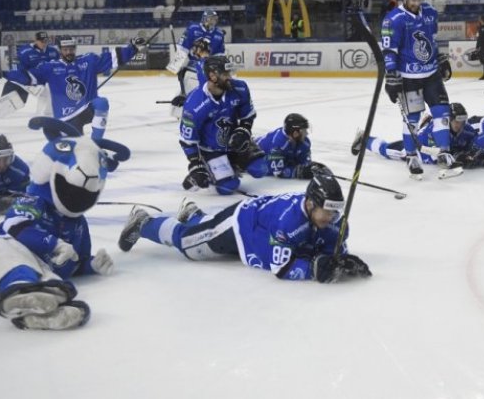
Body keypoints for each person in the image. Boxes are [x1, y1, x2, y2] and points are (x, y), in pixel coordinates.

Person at [0, 121, 129, 330]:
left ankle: (40, 314)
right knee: (3, 254)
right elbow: (15, 226)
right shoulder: (34, 201)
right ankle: (18, 290)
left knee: (53, 285)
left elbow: (76, 262)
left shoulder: (79, 225)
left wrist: (92, 265)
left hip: (42, 268)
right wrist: (54, 244)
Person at [117, 173, 372, 283]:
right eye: (327, 210)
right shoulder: (289, 223)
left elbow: (329, 246)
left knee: (200, 231)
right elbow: (281, 267)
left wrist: (339, 258)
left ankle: (195, 214)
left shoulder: (331, 221)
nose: (332, 217)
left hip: (261, 229)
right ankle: (144, 222)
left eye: (336, 210)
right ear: (310, 203)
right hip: (242, 224)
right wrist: (315, 269)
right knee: (187, 245)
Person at [0, 36, 144, 138]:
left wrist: (133, 46)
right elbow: (27, 77)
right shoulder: (50, 67)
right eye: (65, 50)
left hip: (86, 108)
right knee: (75, 146)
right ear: (60, 50)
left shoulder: (88, 61)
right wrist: (3, 73)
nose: (69, 52)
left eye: (71, 49)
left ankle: (96, 143)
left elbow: (113, 57)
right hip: (66, 116)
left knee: (101, 102)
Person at [381, 0, 457, 179]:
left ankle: (444, 152)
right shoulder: (393, 19)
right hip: (409, 78)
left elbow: (432, 39)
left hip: (432, 75)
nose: (418, 2)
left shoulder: (430, 13)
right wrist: (391, 77)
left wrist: (441, 59)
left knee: (442, 112)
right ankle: (412, 156)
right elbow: (389, 50)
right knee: (412, 120)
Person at [179, 56, 269, 194]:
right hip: (211, 150)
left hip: (234, 143)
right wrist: (195, 164)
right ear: (212, 76)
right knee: (228, 187)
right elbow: (188, 140)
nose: (230, 77)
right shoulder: (194, 104)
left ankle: (230, 164)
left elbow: (247, 116)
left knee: (261, 168)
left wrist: (243, 131)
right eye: (225, 74)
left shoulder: (240, 88)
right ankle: (208, 168)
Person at [354, 102, 478, 171]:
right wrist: (457, 156)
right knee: (387, 150)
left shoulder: (466, 129)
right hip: (419, 150)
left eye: (462, 121)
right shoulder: (435, 131)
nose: (459, 124)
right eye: (456, 121)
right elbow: (437, 157)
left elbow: (474, 142)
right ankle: (364, 139)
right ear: (448, 120)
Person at [0, 30, 60, 106]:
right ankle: (0, 73)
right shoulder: (25, 51)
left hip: (47, 80)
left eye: (45, 41)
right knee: (18, 75)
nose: (44, 43)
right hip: (30, 77)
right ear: (36, 40)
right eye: (41, 41)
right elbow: (17, 66)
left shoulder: (53, 51)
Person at [173, 9, 226, 104]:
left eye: (214, 19)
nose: (212, 22)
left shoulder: (219, 34)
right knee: (191, 86)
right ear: (204, 19)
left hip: (208, 67)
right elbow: (182, 48)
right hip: (191, 65)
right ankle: (186, 102)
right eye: (210, 19)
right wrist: (179, 64)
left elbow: (220, 54)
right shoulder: (193, 29)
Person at [255, 113, 313, 179]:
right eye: (304, 131)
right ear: (295, 133)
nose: (307, 133)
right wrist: (296, 172)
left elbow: (305, 163)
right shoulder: (278, 144)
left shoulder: (304, 142)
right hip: (253, 156)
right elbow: (277, 171)